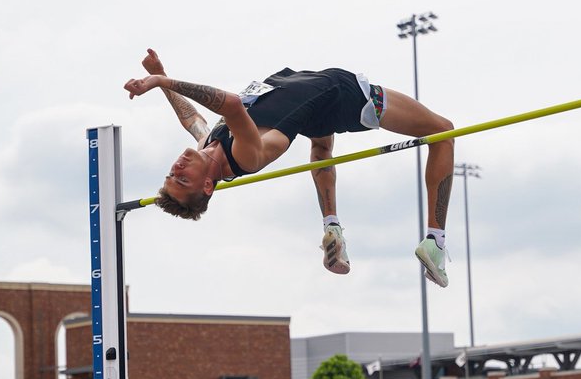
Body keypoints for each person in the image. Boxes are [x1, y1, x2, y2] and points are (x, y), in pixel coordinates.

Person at [124, 49, 457, 286]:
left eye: (171, 174)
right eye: (182, 178)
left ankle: (333, 227)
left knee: (322, 147)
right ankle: (436, 241)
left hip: (314, 104)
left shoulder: (207, 145)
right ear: (208, 187)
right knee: (443, 132)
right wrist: (161, 82)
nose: (177, 166)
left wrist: (163, 77)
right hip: (345, 94)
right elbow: (231, 104)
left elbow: (191, 119)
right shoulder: (246, 155)